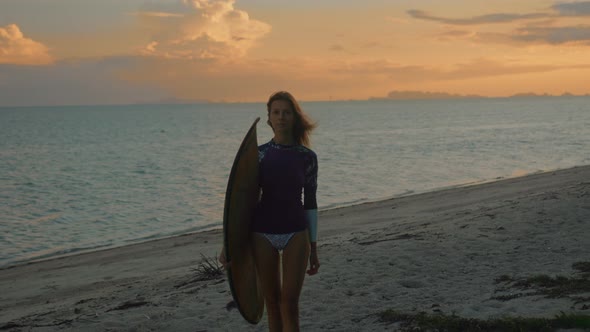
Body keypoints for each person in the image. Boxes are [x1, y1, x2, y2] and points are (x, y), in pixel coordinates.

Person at [221, 91, 320, 331]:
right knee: (273, 303)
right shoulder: (259, 155)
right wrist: (229, 245)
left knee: (290, 303)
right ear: (269, 119)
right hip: (262, 233)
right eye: (276, 112)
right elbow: (243, 202)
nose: (281, 117)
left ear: (294, 118)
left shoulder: (307, 157)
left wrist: (314, 247)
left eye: (286, 112)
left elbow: (310, 202)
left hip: (296, 232)